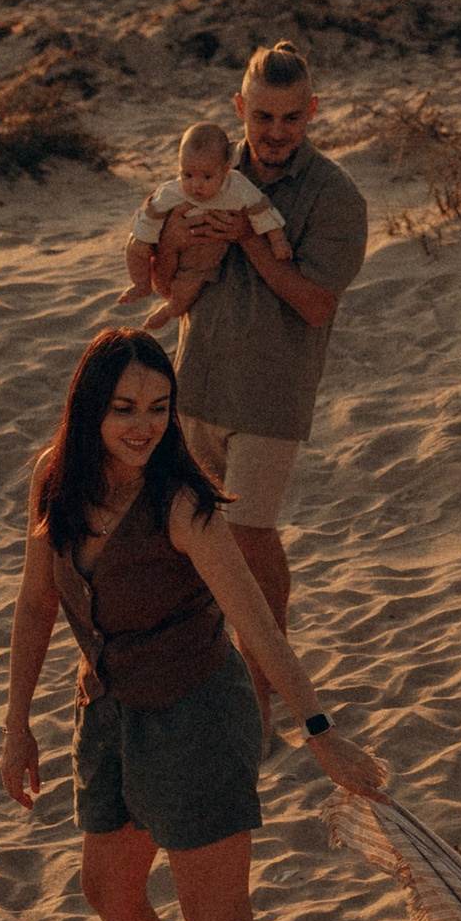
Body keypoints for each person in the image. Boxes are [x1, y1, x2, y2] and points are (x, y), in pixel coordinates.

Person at [2, 327, 384, 921]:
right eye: (124, 408)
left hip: (195, 718)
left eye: (158, 407)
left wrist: (323, 737)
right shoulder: (54, 478)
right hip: (105, 712)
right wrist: (15, 724)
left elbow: (258, 627)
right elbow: (38, 605)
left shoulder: (184, 503)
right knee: (109, 888)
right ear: (89, 408)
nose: (142, 425)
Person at [124, 39, 366, 651]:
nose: (276, 131)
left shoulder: (335, 197)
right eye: (262, 116)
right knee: (192, 541)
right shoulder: (202, 173)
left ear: (313, 110)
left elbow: (316, 304)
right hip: (195, 384)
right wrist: (171, 244)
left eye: (291, 117)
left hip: (270, 396)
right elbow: (162, 279)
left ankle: (269, 679)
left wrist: (250, 241)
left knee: (251, 536)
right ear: (239, 108)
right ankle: (216, 685)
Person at [127, 118, 292, 324]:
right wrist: (143, 242)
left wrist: (278, 241)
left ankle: (170, 310)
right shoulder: (173, 190)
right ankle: (141, 284)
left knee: (189, 287)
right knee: (134, 246)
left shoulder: (237, 186)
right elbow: (151, 214)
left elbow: (262, 209)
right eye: (187, 174)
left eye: (206, 177)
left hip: (203, 253)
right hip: (169, 241)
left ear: (225, 170)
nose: (196, 185)